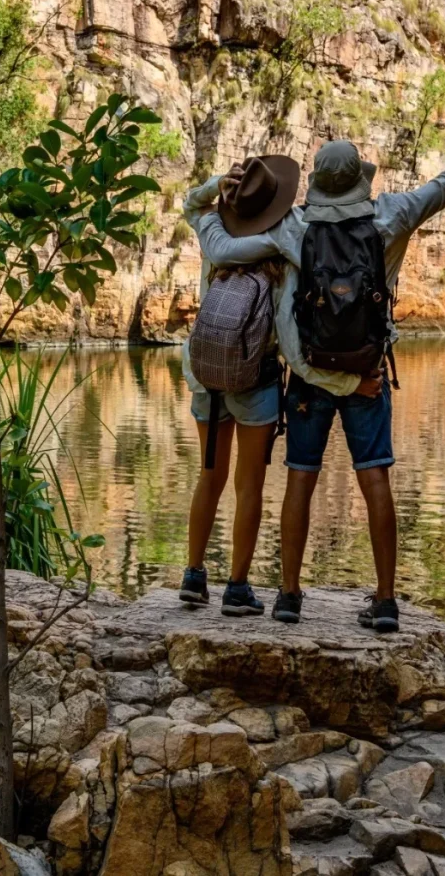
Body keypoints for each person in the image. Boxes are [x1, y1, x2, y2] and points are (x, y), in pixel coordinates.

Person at [200, 82, 445, 632]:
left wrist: (219, 196)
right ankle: (383, 600)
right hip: (367, 375)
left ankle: (288, 596)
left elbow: (222, 248)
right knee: (374, 477)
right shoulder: (390, 217)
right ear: (359, 178)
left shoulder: (294, 226)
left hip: (308, 377)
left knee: (301, 477)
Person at [178, 154, 367, 615]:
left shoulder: (213, 237)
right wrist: (343, 381)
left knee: (209, 476)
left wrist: (216, 185)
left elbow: (190, 205)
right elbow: (290, 344)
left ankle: (193, 574)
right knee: (249, 486)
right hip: (255, 381)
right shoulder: (280, 257)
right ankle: (237, 587)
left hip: (205, 374)